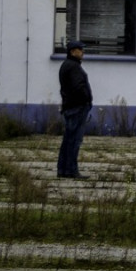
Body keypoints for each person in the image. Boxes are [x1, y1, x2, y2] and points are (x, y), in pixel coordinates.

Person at [57, 40, 93, 179]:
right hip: (77, 107)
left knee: (68, 139)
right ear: (73, 52)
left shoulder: (67, 65)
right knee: (74, 140)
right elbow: (78, 87)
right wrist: (86, 100)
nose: (83, 52)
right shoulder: (73, 67)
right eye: (80, 49)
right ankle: (71, 170)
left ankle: (63, 170)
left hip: (71, 106)